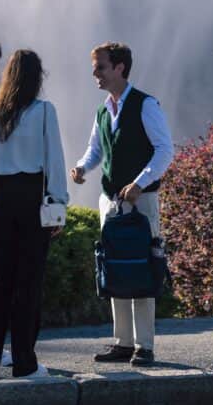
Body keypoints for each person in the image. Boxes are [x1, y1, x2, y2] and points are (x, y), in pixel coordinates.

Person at [71, 42, 174, 367]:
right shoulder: (104, 109)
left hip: (142, 200)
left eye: (100, 67)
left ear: (119, 68)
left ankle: (145, 346)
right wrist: (81, 167)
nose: (95, 73)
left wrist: (139, 184)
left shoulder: (146, 105)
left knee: (142, 266)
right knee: (116, 266)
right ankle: (123, 342)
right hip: (111, 201)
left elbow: (164, 150)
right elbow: (96, 149)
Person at [0, 49, 68, 380]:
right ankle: (24, 362)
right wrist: (58, 205)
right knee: (28, 283)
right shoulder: (43, 111)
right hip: (30, 200)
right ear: (37, 78)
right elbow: (54, 160)